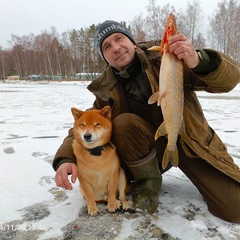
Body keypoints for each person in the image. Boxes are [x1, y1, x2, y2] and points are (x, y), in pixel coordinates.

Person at [53, 20, 240, 222]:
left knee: (235, 209)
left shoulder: (167, 59)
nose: (115, 48)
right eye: (106, 46)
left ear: (132, 42)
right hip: (148, 153)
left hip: (189, 142)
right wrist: (66, 159)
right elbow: (85, 123)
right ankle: (148, 182)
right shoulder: (107, 90)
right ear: (105, 58)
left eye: (119, 38)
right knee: (124, 124)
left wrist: (199, 60)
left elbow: (229, 80)